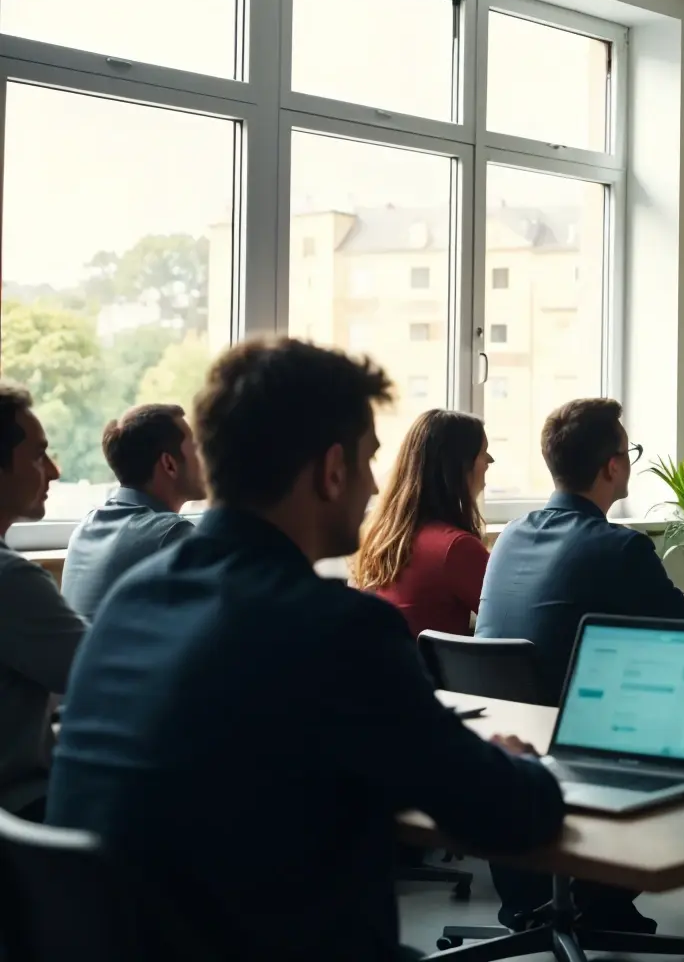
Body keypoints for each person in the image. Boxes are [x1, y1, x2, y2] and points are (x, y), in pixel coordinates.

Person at [46, 338, 564, 961]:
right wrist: (522, 764)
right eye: (369, 460)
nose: (376, 483)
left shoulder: (132, 602)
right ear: (332, 469)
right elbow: (504, 816)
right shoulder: (338, 628)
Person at [476, 396, 684, 932]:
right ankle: (603, 891)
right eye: (630, 452)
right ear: (612, 465)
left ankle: (597, 901)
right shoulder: (619, 548)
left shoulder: (510, 535)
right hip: (581, 759)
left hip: (504, 757)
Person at [0, 382, 86, 821]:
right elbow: (100, 670)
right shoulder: (12, 580)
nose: (53, 471)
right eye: (37, 455)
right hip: (24, 810)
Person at [354, 409, 493, 638]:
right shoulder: (456, 548)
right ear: (458, 466)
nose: (489, 462)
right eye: (483, 453)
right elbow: (508, 616)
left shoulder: (379, 536)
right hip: (431, 673)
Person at [62, 403, 206, 619]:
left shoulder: (85, 527)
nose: (206, 459)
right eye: (197, 449)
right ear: (169, 464)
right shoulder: (171, 534)